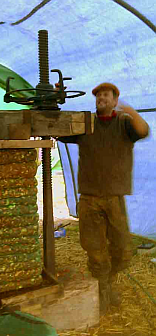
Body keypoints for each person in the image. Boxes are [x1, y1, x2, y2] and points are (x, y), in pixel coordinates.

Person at [58, 82, 149, 314]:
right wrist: (56, 100)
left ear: (115, 100)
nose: (101, 98)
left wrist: (130, 111)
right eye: (98, 95)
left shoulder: (124, 123)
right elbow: (58, 131)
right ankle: (103, 288)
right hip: (89, 198)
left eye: (106, 95)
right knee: (95, 249)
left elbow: (143, 131)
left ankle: (108, 280)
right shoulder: (86, 123)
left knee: (123, 251)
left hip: (114, 197)